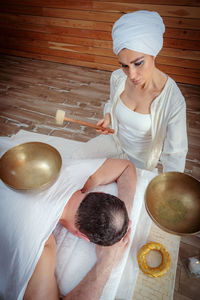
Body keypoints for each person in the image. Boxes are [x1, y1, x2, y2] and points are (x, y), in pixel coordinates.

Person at [72, 10, 188, 173]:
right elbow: (112, 103)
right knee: (76, 160)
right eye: (124, 65)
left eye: (138, 63)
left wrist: (169, 189)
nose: (131, 75)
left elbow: (175, 154)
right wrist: (108, 117)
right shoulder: (118, 78)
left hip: (139, 161)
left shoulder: (172, 98)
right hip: (115, 142)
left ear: (153, 54)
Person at [22, 158, 136, 300]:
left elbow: (127, 167)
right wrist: (106, 262)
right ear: (82, 236)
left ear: (99, 193)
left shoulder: (77, 173)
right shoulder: (41, 243)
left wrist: (120, 217)